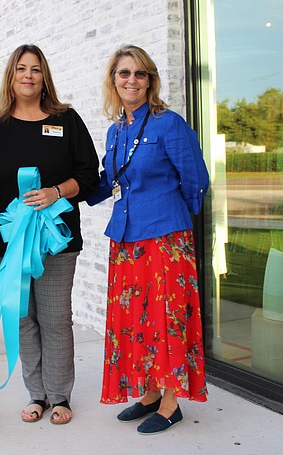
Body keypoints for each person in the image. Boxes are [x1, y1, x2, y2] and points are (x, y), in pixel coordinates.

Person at [88, 45, 209, 435]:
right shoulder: (115, 129)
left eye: (140, 74)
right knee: (136, 319)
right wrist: (63, 189)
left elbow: (195, 180)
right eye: (124, 73)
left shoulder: (168, 123)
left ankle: (171, 402)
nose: (132, 81)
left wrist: (174, 217)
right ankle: (150, 392)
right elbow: (109, 182)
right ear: (114, 81)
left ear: (150, 81)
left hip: (164, 237)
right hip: (125, 238)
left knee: (165, 318)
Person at [0, 44, 99, 425]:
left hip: (57, 241)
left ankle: (60, 396)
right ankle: (36, 394)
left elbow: (87, 175)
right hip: (11, 244)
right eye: (21, 69)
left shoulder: (66, 120)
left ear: (44, 75)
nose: (29, 76)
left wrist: (55, 192)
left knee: (54, 318)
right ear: (11, 76)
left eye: (35, 69)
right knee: (23, 319)